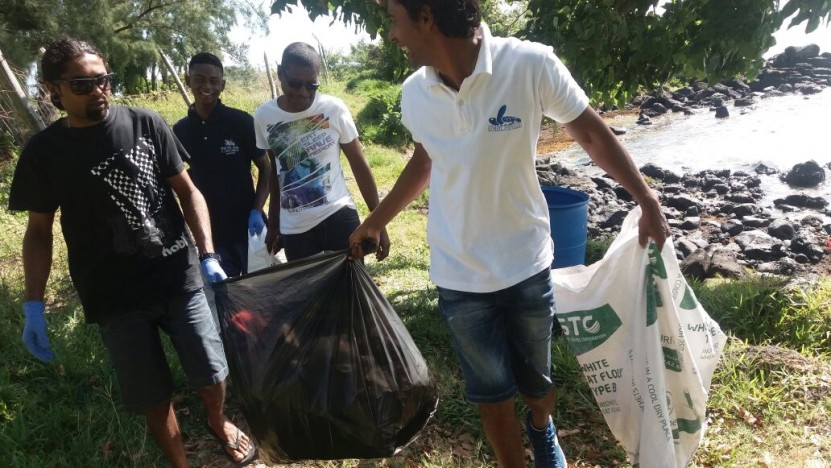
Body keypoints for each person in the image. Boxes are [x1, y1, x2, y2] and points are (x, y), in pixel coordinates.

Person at [348, 1, 671, 467]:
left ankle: (542, 427)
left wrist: (648, 198)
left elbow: (591, 135)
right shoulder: (414, 92)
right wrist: (376, 220)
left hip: (526, 263)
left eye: (395, 21)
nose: (392, 36)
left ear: (426, 18)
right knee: (491, 395)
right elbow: (425, 159)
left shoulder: (530, 64)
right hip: (458, 272)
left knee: (537, 387)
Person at [9, 37, 257, 467]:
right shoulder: (44, 154)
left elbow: (189, 192)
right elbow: (38, 231)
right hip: (113, 295)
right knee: (152, 396)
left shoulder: (146, 123)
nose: (98, 91)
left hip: (178, 277)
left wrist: (208, 254)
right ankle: (180, 462)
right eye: (82, 85)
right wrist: (34, 304)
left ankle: (217, 421)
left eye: (103, 80)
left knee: (212, 371)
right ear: (53, 90)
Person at [253, 42, 390, 261]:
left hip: (338, 218)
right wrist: (274, 223)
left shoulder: (333, 109)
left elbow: (359, 164)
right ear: (280, 73)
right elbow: (276, 170)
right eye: (295, 84)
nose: (302, 93)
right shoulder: (263, 116)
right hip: (295, 231)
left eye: (311, 86)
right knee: (310, 295)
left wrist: (378, 222)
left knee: (350, 291)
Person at [173, 52, 270, 277]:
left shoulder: (240, 122)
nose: (207, 86)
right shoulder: (180, 131)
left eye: (214, 80)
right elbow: (177, 181)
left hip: (247, 225)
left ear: (223, 85)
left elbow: (265, 167)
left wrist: (257, 209)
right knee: (227, 295)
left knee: (261, 287)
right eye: (199, 79)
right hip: (209, 230)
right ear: (188, 81)